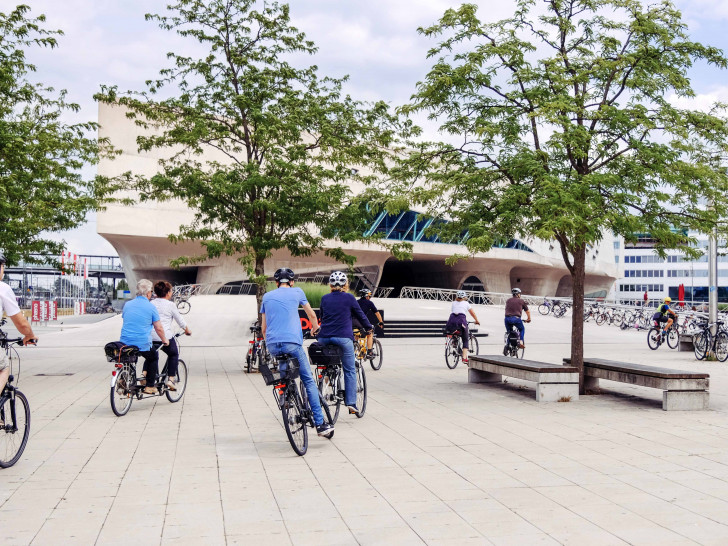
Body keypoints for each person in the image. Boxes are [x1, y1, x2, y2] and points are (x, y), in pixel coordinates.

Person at [261, 268, 333, 437]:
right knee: (308, 380)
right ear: (291, 282)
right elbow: (312, 316)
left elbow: (264, 328)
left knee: (286, 374)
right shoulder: (297, 291)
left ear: (277, 283)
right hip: (292, 343)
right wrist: (315, 329)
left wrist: (270, 343)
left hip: (272, 344)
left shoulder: (266, 296)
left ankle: (285, 396)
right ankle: (320, 423)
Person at [317, 271, 372, 415]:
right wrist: (369, 327)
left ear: (330, 285)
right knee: (349, 369)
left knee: (327, 362)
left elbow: (322, 317)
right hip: (343, 337)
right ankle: (351, 403)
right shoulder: (349, 298)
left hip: (324, 338)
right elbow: (360, 314)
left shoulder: (324, 298)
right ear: (345, 284)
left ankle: (325, 381)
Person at [120, 279, 169, 394]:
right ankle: (150, 386)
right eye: (151, 291)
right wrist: (165, 340)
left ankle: (124, 377)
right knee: (153, 356)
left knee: (129, 356)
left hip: (124, 342)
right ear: (148, 293)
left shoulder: (127, 305)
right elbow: (159, 328)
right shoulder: (151, 307)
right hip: (142, 343)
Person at [0, 254, 37, 395]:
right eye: (3, 266)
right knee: (3, 366)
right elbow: (22, 324)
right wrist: (30, 335)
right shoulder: (3, 288)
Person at [151, 281, 191, 391]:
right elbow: (180, 321)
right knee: (173, 354)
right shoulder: (171, 305)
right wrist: (187, 330)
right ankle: (171, 379)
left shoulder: (151, 304)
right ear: (168, 293)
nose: (172, 292)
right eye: (171, 291)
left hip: (150, 336)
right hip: (164, 337)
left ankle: (146, 375)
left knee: (151, 354)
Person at [445, 290, 480, 363]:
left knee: (454, 332)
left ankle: (454, 342)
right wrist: (476, 320)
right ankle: (464, 358)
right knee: (465, 339)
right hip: (461, 321)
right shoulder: (466, 303)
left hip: (451, 321)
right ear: (464, 297)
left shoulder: (453, 303)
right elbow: (472, 312)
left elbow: (454, 311)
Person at [356, 288, 383, 357]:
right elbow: (377, 313)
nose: (370, 297)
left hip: (352, 322)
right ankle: (370, 352)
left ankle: (357, 347)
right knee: (370, 333)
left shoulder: (356, 302)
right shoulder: (369, 303)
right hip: (362, 321)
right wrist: (381, 322)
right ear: (367, 296)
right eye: (369, 296)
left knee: (356, 334)